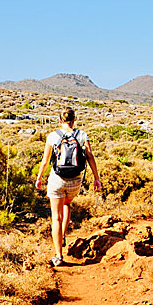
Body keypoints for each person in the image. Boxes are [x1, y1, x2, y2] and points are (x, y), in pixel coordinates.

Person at [35, 107, 101, 266]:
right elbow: (90, 156)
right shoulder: (82, 135)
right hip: (75, 181)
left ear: (60, 121)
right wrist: (96, 179)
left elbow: (45, 161)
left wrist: (39, 178)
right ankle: (63, 235)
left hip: (57, 179)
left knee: (55, 218)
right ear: (74, 120)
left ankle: (58, 255)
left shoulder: (53, 136)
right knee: (67, 204)